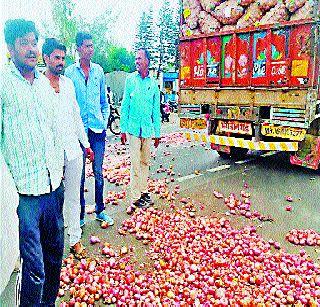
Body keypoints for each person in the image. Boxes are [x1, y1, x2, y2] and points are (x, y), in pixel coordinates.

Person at [1, 19, 64, 306]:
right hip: (24, 194)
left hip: (52, 187)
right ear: (10, 47)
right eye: (23, 42)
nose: (30, 49)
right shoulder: (3, 85)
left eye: (33, 42)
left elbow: (52, 130)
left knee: (53, 258)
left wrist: (60, 172)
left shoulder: (42, 85)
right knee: (35, 269)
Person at [42, 38, 94, 258]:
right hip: (50, 153)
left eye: (63, 58)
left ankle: (74, 240)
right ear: (45, 58)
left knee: (73, 196)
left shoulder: (68, 84)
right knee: (51, 200)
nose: (61, 62)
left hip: (72, 149)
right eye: (56, 57)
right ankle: (50, 246)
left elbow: (75, 116)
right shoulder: (37, 85)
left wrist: (86, 144)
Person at [65, 32, 114, 227]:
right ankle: (80, 215)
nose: (90, 49)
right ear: (78, 48)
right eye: (86, 46)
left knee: (98, 172)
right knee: (79, 175)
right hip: (79, 132)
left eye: (92, 46)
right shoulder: (69, 73)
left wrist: (103, 120)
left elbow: (104, 101)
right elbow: (67, 103)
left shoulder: (99, 71)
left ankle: (100, 209)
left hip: (97, 129)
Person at [120, 48, 161, 212]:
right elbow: (125, 106)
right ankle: (135, 198)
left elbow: (156, 111)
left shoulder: (153, 84)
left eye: (139, 59)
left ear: (147, 61)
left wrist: (157, 133)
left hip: (147, 131)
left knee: (145, 162)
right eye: (135, 59)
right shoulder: (130, 80)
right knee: (135, 164)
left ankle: (144, 192)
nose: (137, 61)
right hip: (132, 129)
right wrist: (122, 129)